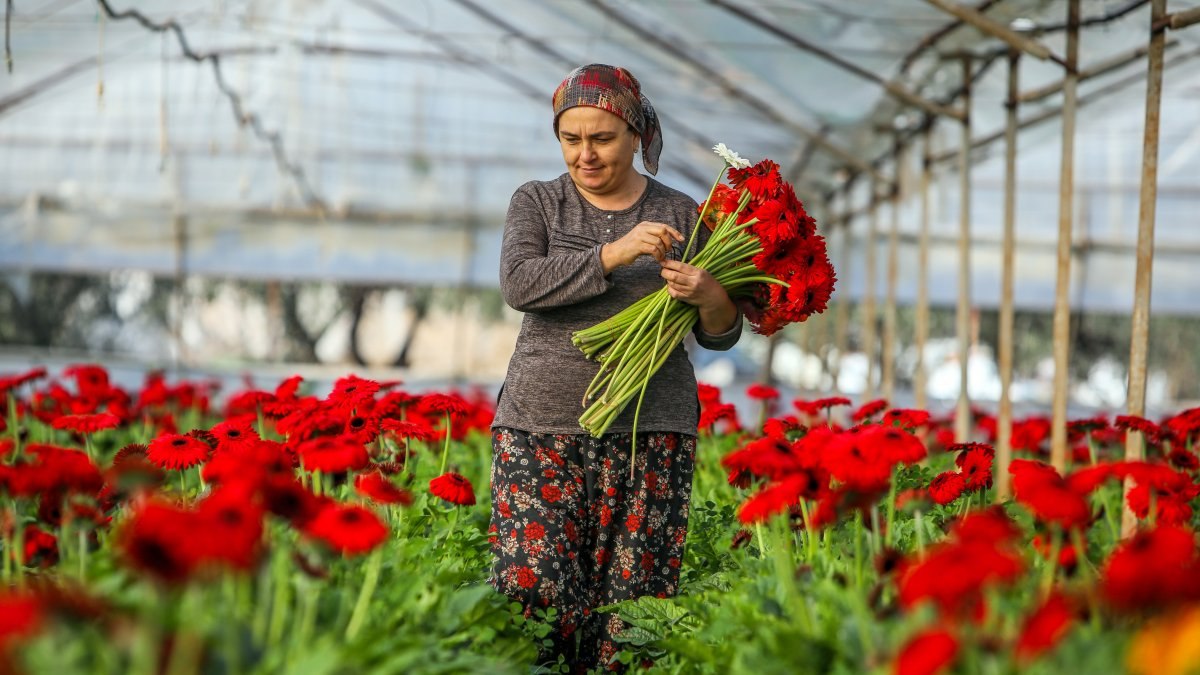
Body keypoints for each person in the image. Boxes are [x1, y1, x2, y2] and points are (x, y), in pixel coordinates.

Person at [487, 63, 742, 672]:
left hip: (649, 432)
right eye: (571, 139)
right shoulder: (539, 203)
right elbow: (519, 283)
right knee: (534, 597)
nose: (585, 155)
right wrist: (613, 253)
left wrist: (711, 298)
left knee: (633, 614)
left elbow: (722, 334)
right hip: (539, 429)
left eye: (601, 138)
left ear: (634, 134)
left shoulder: (683, 214)